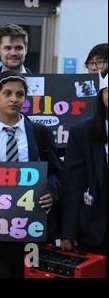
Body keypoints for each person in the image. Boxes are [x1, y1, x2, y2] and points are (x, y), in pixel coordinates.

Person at [0, 70, 63, 278]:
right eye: (8, 93)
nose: (14, 99)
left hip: (33, 229)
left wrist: (50, 192)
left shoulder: (40, 133)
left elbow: (57, 173)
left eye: (20, 94)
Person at [60, 71, 108, 255]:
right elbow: (73, 185)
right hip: (93, 232)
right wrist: (67, 233)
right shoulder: (82, 132)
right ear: (102, 94)